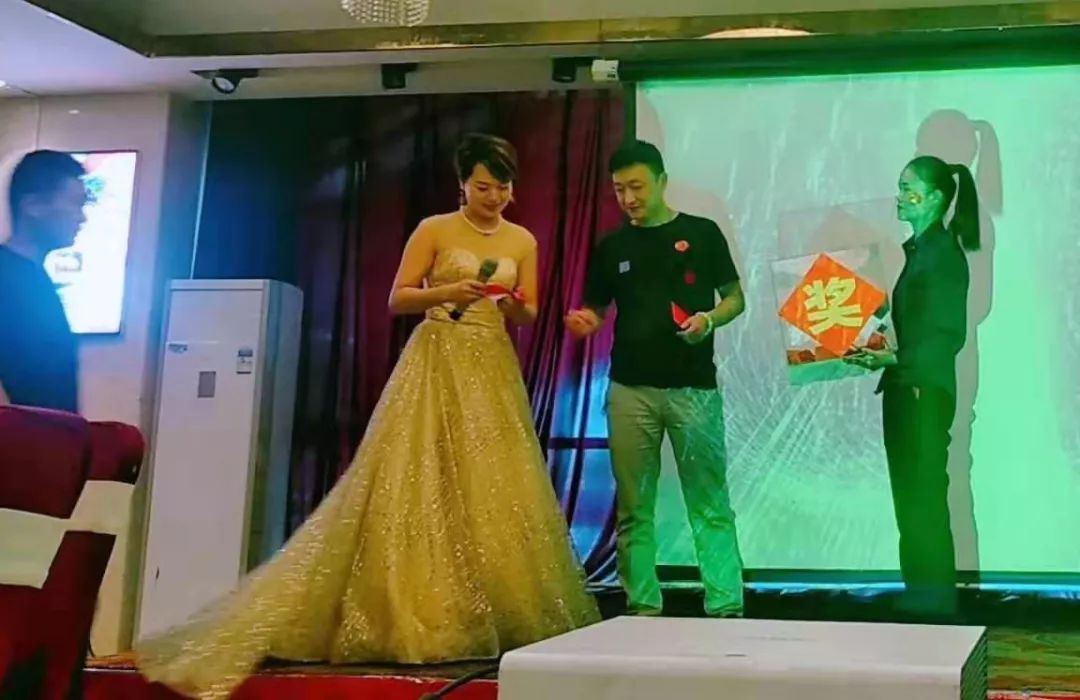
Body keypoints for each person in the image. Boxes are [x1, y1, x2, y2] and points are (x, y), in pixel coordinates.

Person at [138, 134, 600, 699]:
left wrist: (507, 302)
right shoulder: (434, 229)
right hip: (438, 354)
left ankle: (490, 607)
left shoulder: (522, 239)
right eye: (484, 186)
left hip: (491, 363)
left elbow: (528, 312)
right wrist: (447, 292)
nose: (495, 197)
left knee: (491, 481)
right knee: (417, 473)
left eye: (503, 187)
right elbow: (398, 298)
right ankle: (416, 607)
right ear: (462, 183)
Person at [565, 140, 746, 618]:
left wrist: (708, 320)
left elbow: (734, 298)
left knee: (709, 503)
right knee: (634, 509)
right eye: (619, 189)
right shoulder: (613, 247)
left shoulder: (702, 233)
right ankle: (643, 608)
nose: (628, 198)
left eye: (637, 186)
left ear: (662, 181)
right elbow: (595, 308)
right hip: (630, 390)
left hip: (693, 388)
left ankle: (726, 607)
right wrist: (585, 321)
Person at [846, 155, 980, 620]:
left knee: (923, 497)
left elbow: (946, 336)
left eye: (908, 187)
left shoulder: (943, 256)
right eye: (900, 187)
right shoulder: (920, 253)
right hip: (907, 389)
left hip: (923, 392)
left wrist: (893, 357)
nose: (900, 196)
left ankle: (933, 602)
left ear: (936, 197)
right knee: (911, 497)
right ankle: (921, 597)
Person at [0, 150, 85, 412]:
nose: (81, 217)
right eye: (75, 204)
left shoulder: (35, 277)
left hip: (51, 435)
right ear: (32, 206)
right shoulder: (6, 277)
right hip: (21, 438)